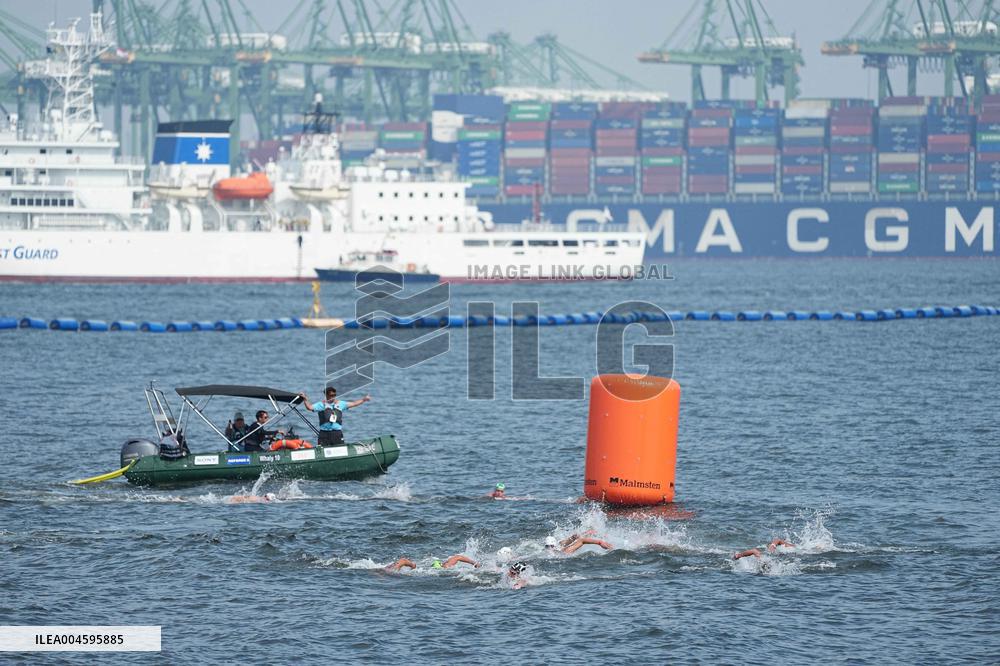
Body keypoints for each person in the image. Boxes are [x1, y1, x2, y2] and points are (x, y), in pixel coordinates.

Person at [299, 387, 371, 447]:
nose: (333, 397)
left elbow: (354, 403)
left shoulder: (341, 404)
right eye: (331, 395)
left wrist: (364, 399)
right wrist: (305, 399)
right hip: (324, 434)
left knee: (340, 450)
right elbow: (309, 407)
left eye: (334, 395)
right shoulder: (321, 405)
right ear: (326, 395)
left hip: (337, 433)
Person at [385, 554, 480, 572]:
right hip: (425, 570)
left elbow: (403, 560)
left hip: (420, 569)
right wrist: (475, 563)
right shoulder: (446, 566)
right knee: (403, 561)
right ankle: (412, 565)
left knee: (403, 561)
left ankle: (412, 565)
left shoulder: (445, 567)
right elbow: (458, 557)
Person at [544, 533, 614, 555]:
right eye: (547, 547)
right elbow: (582, 541)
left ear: (555, 546)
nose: (550, 548)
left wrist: (600, 542)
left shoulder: (563, 550)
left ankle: (592, 532)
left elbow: (582, 540)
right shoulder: (563, 551)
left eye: (551, 546)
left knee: (577, 536)